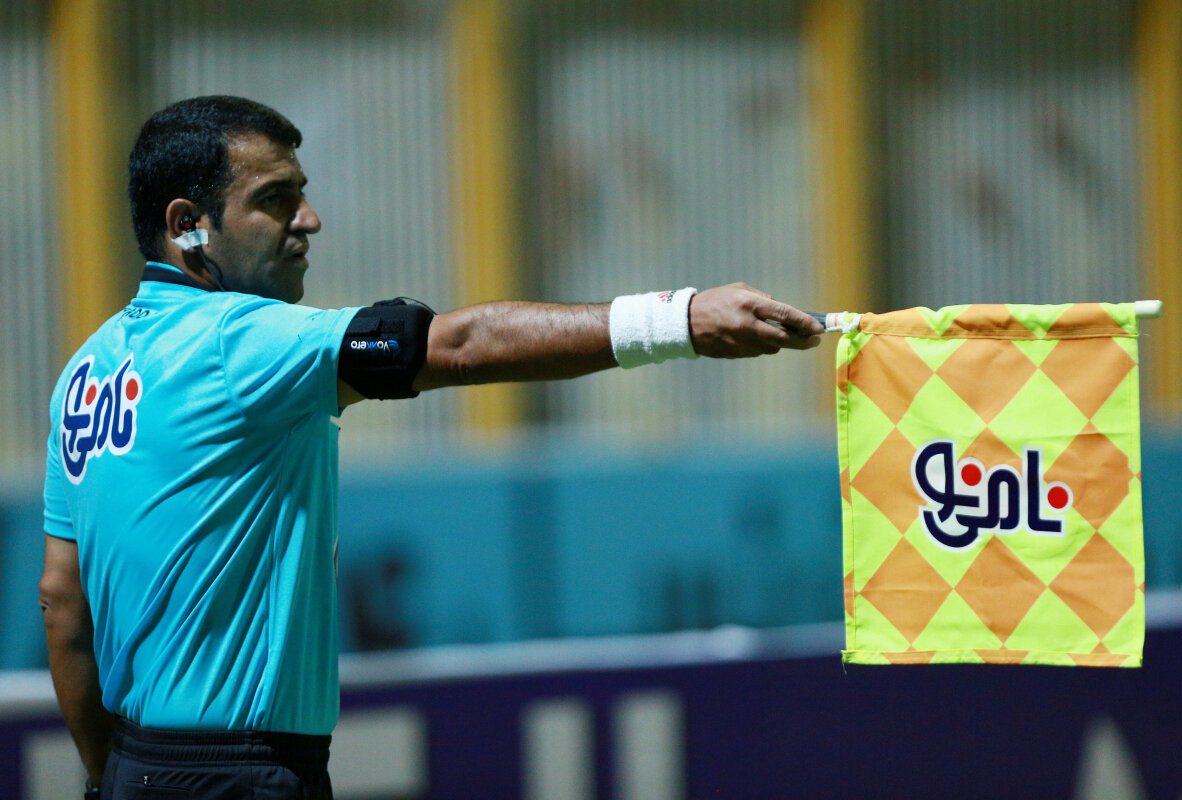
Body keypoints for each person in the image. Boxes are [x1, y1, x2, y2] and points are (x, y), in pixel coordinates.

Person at [39, 95, 823, 800]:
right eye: (275, 199)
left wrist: (111, 773)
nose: (309, 219)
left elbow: (62, 602)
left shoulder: (86, 373)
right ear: (188, 224)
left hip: (139, 766)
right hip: (241, 775)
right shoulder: (236, 342)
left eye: (302, 192)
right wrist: (679, 320)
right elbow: (461, 345)